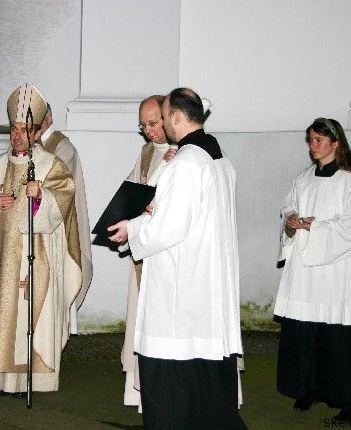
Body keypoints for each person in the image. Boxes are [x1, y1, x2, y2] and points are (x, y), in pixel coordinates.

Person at [108, 88, 246, 429]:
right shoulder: (219, 160)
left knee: (173, 393)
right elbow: (196, 216)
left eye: (165, 116)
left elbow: (168, 230)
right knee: (209, 393)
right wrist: (155, 212)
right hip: (207, 290)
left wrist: (132, 228)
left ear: (177, 118)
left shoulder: (184, 163)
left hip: (180, 296)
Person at [0, 83, 82, 395]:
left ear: (36, 132)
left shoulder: (51, 165)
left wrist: (40, 196)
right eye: (14, 129)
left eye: (25, 130)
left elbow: (63, 202)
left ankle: (23, 380)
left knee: (25, 317)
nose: (18, 136)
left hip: (35, 258)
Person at [273, 117, 351, 422]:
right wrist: (292, 220)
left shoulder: (350, 181)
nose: (313, 146)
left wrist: (313, 225)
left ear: (336, 143)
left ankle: (350, 401)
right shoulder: (305, 178)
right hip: (306, 271)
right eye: (310, 140)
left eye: (319, 140)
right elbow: (287, 206)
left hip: (335, 269)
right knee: (307, 331)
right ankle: (310, 387)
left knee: (337, 337)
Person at [120, 95, 176, 410]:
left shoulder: (187, 152)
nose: (148, 131)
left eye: (152, 124)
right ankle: (141, 391)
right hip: (145, 246)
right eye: (143, 125)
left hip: (168, 252)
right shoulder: (146, 152)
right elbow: (133, 190)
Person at [38, 105, 92, 332]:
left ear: (49, 119)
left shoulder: (62, 146)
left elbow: (59, 186)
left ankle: (54, 330)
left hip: (58, 225)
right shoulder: (22, 146)